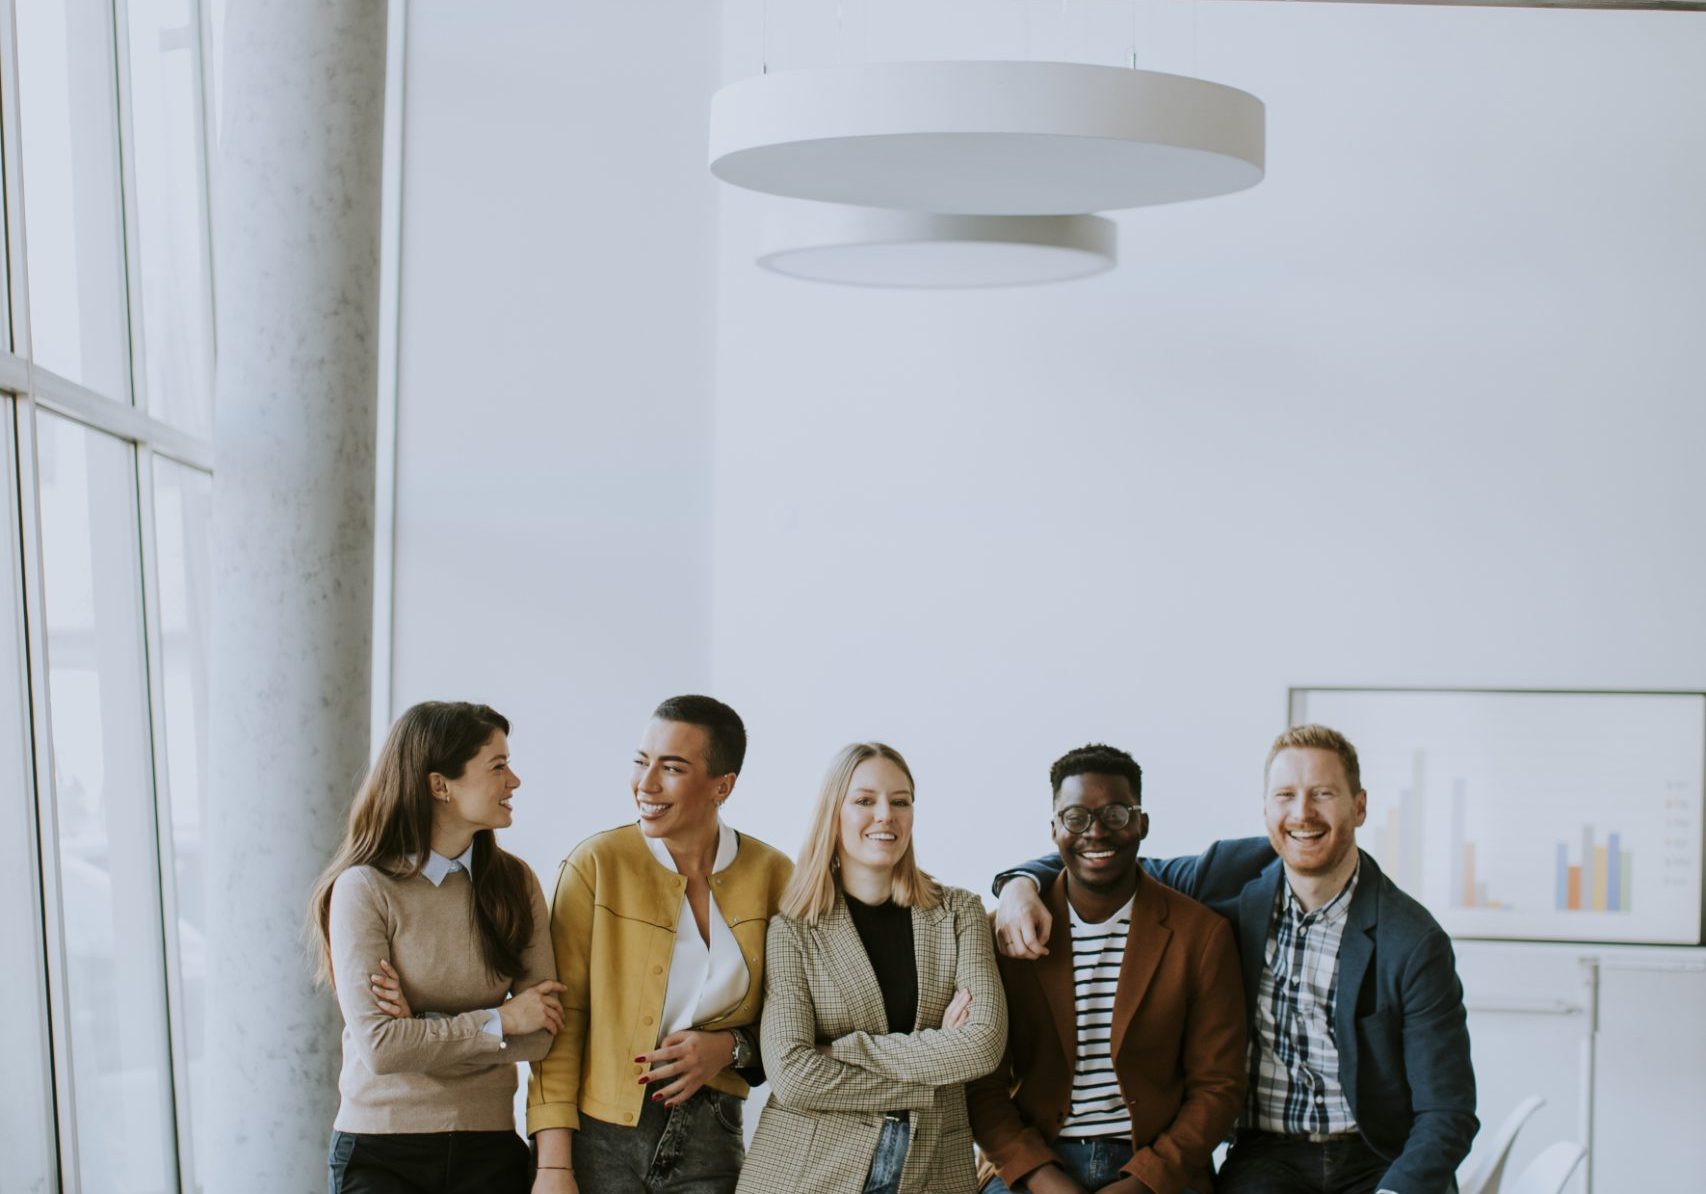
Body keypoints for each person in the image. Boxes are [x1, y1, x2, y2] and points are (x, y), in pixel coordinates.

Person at [993, 726, 1476, 1194]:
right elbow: (1107, 856)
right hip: (1268, 1156)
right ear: (1266, 810)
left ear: (1360, 806)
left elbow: (1447, 1114)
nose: (1302, 813)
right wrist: (1018, 883)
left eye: (1323, 794)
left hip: (1379, 1156)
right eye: (1285, 795)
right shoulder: (1229, 876)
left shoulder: (1412, 940)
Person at [528, 695, 794, 1194]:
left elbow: (795, 1019)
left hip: (713, 1134)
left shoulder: (775, 876)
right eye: (640, 762)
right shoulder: (595, 866)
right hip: (598, 1139)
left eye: (671, 768)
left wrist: (730, 1048)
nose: (645, 784)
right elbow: (562, 1024)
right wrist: (553, 1165)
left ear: (723, 786)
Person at [310, 701, 566, 1194]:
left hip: (489, 1147)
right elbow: (383, 1049)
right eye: (497, 766)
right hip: (382, 1150)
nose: (514, 781)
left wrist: (421, 1029)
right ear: (439, 785)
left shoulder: (516, 883)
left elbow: (542, 1037)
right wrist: (502, 1021)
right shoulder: (364, 888)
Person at [967, 744, 1246, 1194]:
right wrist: (1041, 1176)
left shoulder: (1201, 936)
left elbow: (1219, 1087)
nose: (1095, 832)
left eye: (1115, 814)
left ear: (1142, 824)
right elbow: (983, 1084)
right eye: (1076, 817)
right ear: (1055, 828)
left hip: (1157, 1168)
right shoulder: (1006, 935)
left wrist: (1143, 1181)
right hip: (1035, 1160)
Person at [736, 742, 1008, 1194]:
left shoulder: (960, 913)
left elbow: (981, 1047)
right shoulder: (793, 931)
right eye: (865, 801)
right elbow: (791, 1075)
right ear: (834, 813)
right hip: (807, 1171)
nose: (886, 814)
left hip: (932, 1170)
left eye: (900, 801)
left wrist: (837, 1051)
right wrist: (933, 1075)